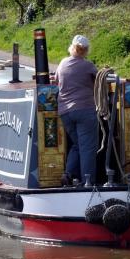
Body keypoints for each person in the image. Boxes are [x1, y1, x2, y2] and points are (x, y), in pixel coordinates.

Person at [55, 35, 99, 185]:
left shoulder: (62, 64)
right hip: (84, 110)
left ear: (72, 47)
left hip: (65, 112)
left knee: (77, 144)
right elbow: (99, 81)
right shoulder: (87, 65)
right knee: (87, 147)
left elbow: (57, 81)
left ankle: (68, 174)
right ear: (86, 50)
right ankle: (88, 183)